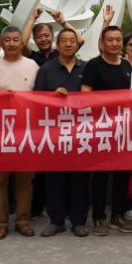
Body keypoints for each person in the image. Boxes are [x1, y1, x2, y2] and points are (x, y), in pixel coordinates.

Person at [0, 26, 40, 239]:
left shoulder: (32, 65)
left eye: (16, 39)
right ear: (1, 42)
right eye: (7, 40)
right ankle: (1, 222)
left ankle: (23, 220)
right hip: (1, 131)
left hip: (27, 131)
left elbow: (42, 95)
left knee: (25, 179)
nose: (12, 43)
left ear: (22, 43)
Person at [35, 27, 90, 238]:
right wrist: (52, 96)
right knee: (55, 179)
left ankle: (78, 221)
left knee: (80, 179)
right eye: (64, 41)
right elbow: (36, 99)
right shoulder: (46, 70)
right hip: (55, 133)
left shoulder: (86, 68)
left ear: (77, 44)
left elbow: (96, 97)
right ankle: (56, 221)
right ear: (57, 45)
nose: (68, 44)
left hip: (81, 132)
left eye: (72, 41)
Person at [82, 22, 132, 235]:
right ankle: (98, 218)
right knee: (101, 176)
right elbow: (85, 94)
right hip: (101, 127)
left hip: (123, 128)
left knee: (122, 174)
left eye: (117, 40)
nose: (114, 43)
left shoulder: (127, 66)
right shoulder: (94, 65)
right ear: (102, 43)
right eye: (110, 40)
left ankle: (117, 216)